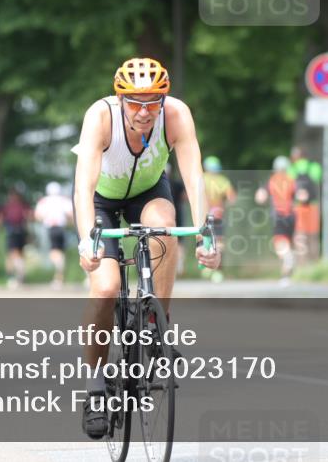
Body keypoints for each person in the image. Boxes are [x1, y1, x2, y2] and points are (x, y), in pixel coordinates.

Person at [73, 57, 219, 439]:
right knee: (104, 289)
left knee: (165, 229)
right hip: (103, 202)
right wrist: (86, 238)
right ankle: (95, 388)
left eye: (152, 102)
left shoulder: (176, 116)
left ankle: (156, 325)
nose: (143, 111)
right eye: (134, 102)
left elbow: (194, 176)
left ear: (163, 100)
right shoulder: (100, 116)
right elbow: (83, 187)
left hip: (149, 193)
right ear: (120, 100)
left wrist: (207, 232)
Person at [256, 156, 297, 284]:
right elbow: (299, 196)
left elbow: (260, 197)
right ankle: (286, 276)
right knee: (288, 242)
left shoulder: (271, 180)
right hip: (291, 216)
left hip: (279, 215)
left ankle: (288, 260)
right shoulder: (291, 180)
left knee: (280, 244)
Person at [35, 182, 75, 288]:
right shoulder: (63, 200)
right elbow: (71, 214)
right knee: (60, 251)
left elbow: (38, 215)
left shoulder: (44, 201)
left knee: (54, 253)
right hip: (61, 228)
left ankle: (58, 275)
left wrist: (44, 219)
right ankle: (60, 275)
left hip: (52, 228)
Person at [289, 148, 321, 261]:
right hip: (313, 205)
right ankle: (314, 261)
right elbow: (318, 179)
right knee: (313, 235)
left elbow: (289, 187)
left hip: (298, 206)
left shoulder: (291, 169)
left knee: (299, 235)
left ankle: (302, 262)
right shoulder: (314, 167)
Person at [1, 189, 31, 288]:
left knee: (15, 254)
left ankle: (17, 275)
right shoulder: (9, 206)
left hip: (18, 231)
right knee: (14, 254)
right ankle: (18, 275)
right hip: (15, 231)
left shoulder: (15, 206)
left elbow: (28, 217)